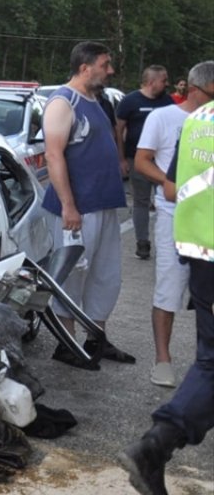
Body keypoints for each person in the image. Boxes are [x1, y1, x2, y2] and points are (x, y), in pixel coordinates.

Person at [117, 74, 214, 495]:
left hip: (200, 253)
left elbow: (174, 188)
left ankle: (155, 447)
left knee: (211, 361)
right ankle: (155, 446)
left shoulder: (199, 120)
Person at [42, 41, 131, 370]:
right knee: (72, 276)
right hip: (78, 210)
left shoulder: (96, 99)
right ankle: (66, 345)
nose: (110, 70)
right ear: (84, 67)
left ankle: (97, 339)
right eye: (105, 65)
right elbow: (53, 156)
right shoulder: (63, 102)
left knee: (105, 274)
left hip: (103, 204)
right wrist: (68, 206)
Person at [134, 62, 214, 387]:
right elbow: (141, 160)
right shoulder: (164, 117)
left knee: (204, 297)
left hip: (205, 219)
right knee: (169, 287)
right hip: (172, 214)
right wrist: (178, 183)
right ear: (195, 89)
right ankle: (162, 361)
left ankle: (203, 363)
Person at [117, 65, 174, 260]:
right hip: (137, 159)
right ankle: (142, 241)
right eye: (163, 80)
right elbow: (119, 130)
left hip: (162, 161)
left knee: (166, 199)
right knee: (141, 201)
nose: (167, 84)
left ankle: (166, 242)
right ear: (151, 82)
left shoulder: (168, 102)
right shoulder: (130, 101)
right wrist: (121, 158)